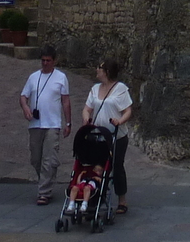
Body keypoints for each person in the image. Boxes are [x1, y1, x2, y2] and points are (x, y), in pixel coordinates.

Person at [19, 44, 71, 205]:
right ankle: (45, 181)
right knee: (36, 158)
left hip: (52, 123)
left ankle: (44, 192)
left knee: (49, 158)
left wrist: (68, 122)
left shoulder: (61, 78)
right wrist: (26, 107)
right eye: (43, 60)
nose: (45, 63)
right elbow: (23, 96)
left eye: (48, 60)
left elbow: (66, 101)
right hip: (35, 124)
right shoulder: (33, 77)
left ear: (54, 61)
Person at [82, 59, 133, 214]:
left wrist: (119, 121)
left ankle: (122, 200)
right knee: (97, 167)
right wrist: (85, 118)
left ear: (107, 72)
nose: (97, 69)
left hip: (117, 136)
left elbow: (128, 111)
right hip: (99, 135)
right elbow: (87, 108)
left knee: (116, 166)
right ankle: (96, 197)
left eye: (100, 68)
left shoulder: (121, 89)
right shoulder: (95, 88)